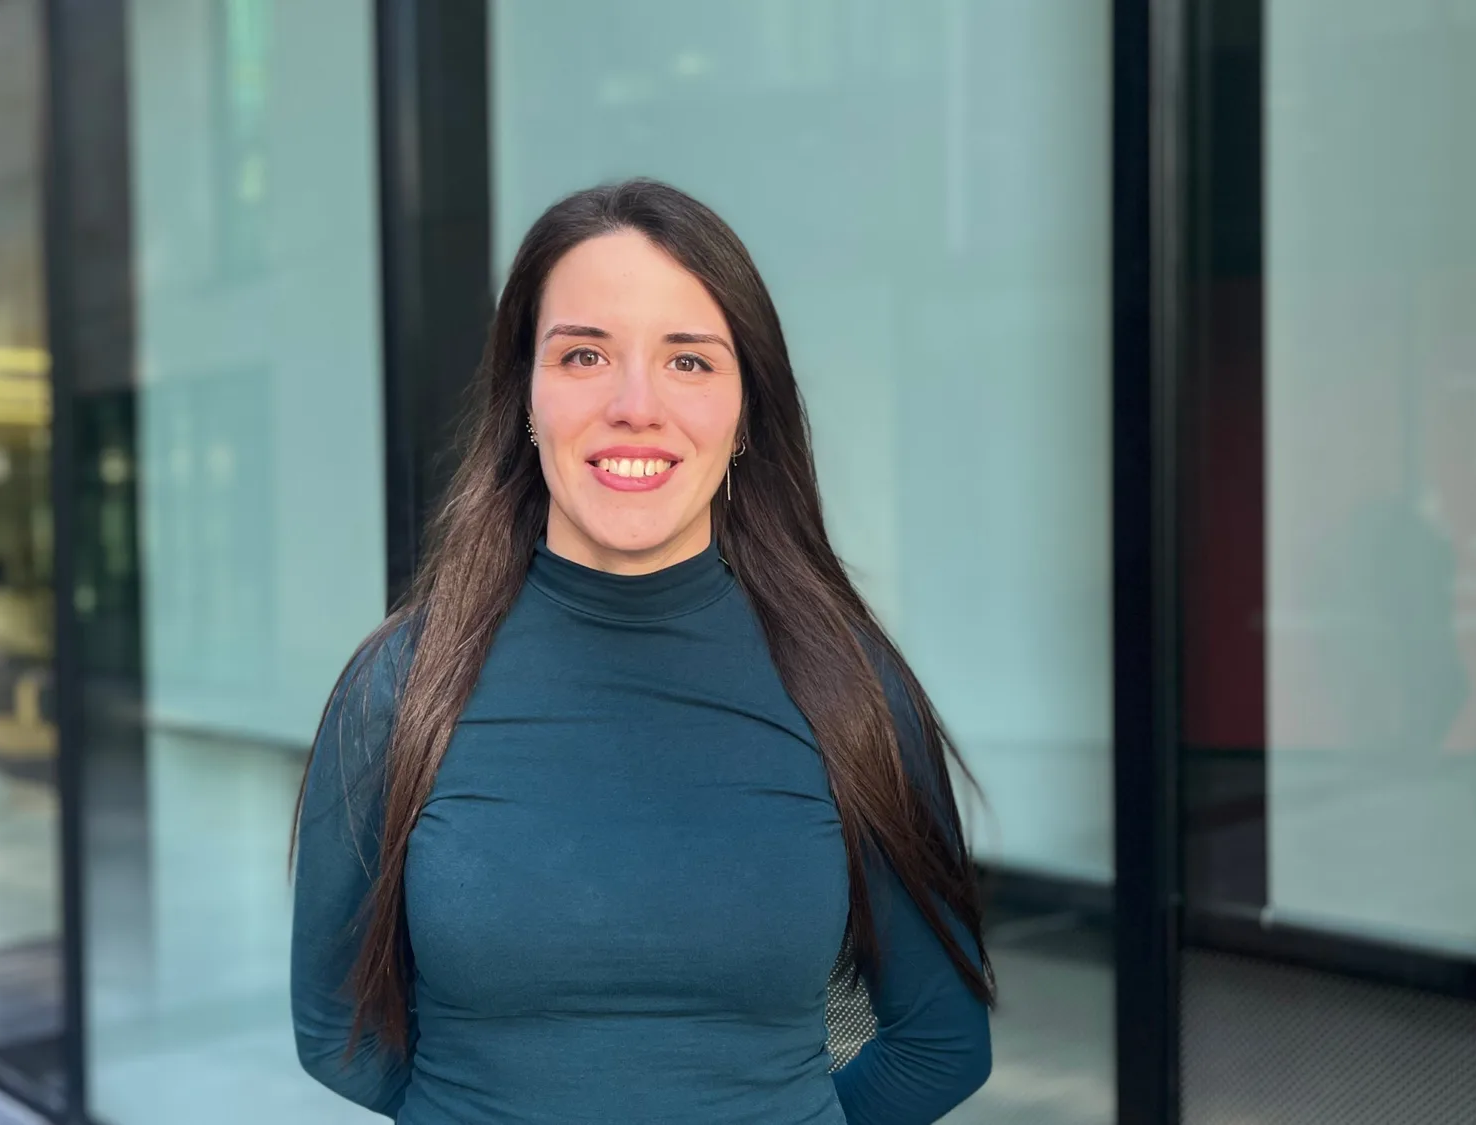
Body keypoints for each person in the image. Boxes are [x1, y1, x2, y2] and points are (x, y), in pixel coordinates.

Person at [291, 179, 993, 1124]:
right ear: (525, 395)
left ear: (747, 412)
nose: (635, 404)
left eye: (689, 361)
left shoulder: (851, 689)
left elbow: (941, 1043)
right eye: (584, 354)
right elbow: (336, 1029)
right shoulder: (400, 687)